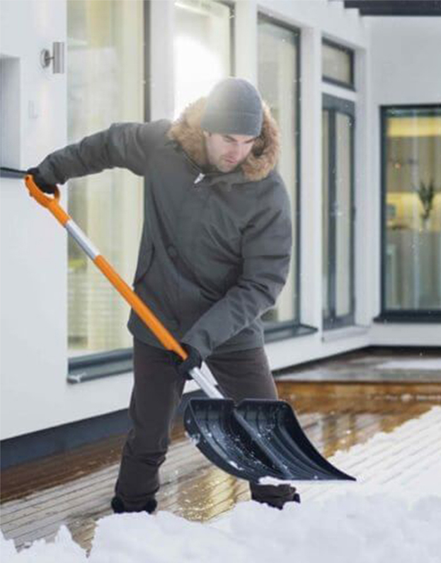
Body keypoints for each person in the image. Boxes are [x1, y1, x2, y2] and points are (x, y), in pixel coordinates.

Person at [28, 78, 300, 512]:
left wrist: (202, 338)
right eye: (229, 139)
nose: (238, 151)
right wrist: (51, 170)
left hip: (229, 328)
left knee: (262, 426)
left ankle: (280, 515)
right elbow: (110, 144)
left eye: (248, 141)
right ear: (206, 130)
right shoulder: (164, 148)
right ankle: (132, 519)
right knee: (148, 432)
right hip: (160, 317)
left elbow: (262, 282)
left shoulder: (266, 191)